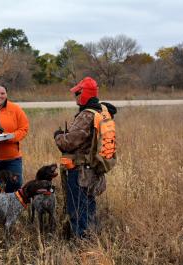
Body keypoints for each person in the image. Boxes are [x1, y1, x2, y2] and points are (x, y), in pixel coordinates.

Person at [54, 76, 117, 238]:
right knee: (89, 207)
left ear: (84, 94)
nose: (75, 98)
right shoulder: (102, 111)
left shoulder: (86, 116)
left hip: (80, 172)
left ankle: (81, 245)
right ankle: (92, 239)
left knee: (77, 209)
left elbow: (68, 143)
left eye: (78, 94)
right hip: (95, 170)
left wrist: (58, 136)